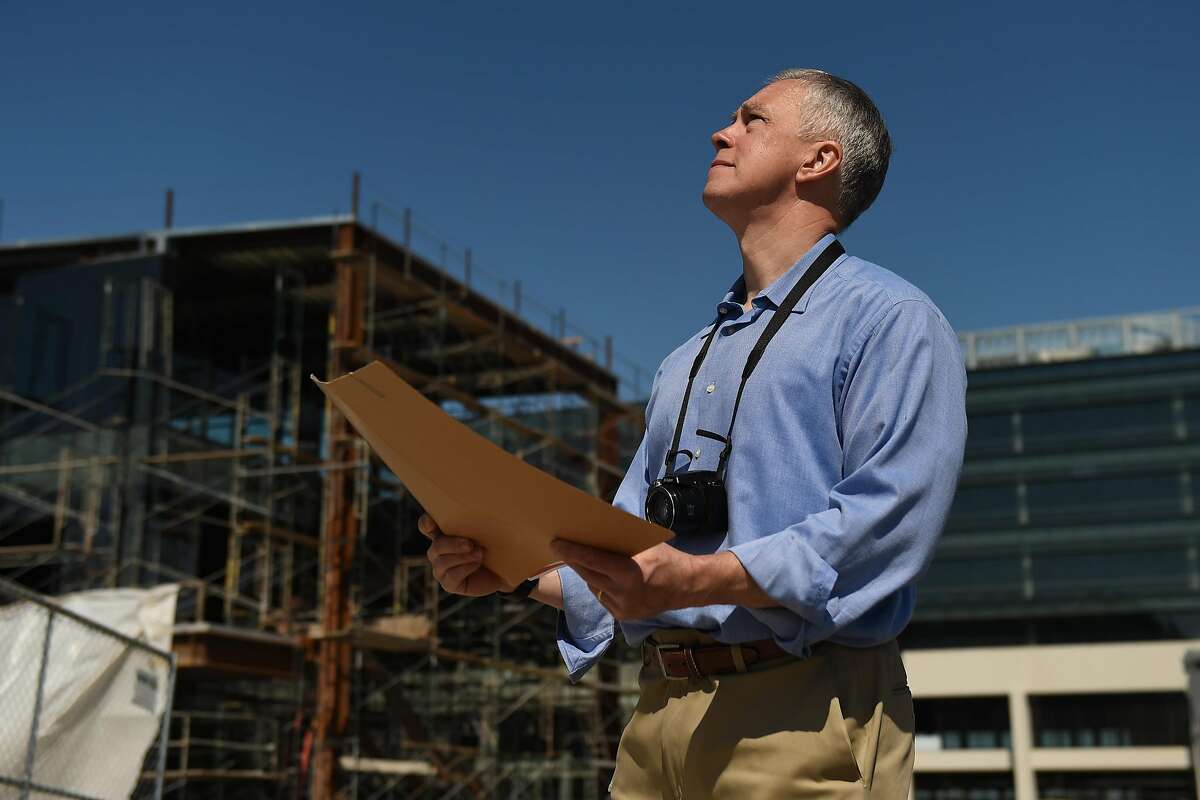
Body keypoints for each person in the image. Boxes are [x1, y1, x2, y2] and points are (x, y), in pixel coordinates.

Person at [420, 67, 967, 798]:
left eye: (753, 119)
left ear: (819, 160)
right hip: (656, 717)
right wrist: (513, 575)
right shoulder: (685, 360)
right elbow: (627, 556)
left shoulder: (891, 320)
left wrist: (699, 578)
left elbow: (885, 526)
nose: (721, 131)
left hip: (803, 712)